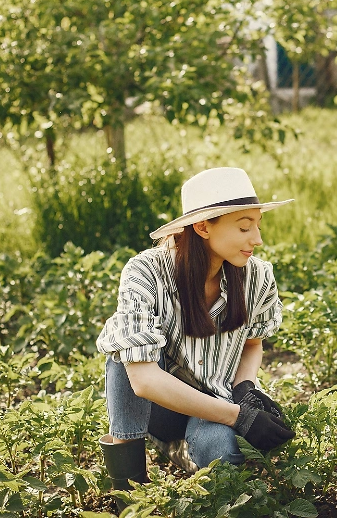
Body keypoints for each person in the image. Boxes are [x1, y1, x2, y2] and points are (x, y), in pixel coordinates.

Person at [95, 167, 296, 500]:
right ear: (203, 227)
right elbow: (143, 381)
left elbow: (253, 343)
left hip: (216, 400)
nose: (257, 239)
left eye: (258, 225)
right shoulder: (146, 272)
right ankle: (127, 488)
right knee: (124, 350)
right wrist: (239, 416)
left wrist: (244, 387)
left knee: (221, 457)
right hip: (158, 408)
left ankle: (185, 454)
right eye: (244, 227)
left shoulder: (257, 275)